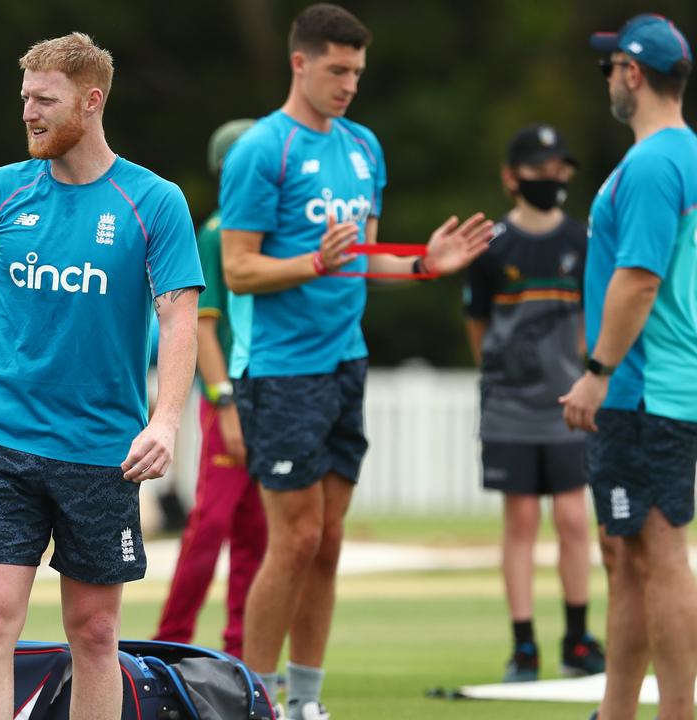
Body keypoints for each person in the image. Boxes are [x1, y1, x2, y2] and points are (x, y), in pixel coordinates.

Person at [0, 32, 204, 720]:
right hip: (3, 441)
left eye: (46, 100)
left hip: (103, 452)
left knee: (96, 634)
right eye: (25, 100)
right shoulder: (0, 192)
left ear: (92, 101)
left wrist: (164, 421)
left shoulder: (153, 201)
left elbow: (180, 320)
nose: (30, 114)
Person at [219, 5, 493, 718]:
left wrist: (428, 264)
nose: (348, 85)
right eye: (337, 70)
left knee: (329, 541)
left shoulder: (364, 147)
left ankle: (307, 700)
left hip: (346, 363)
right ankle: (257, 699)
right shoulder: (262, 151)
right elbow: (240, 269)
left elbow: (365, 264)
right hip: (281, 370)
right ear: (299, 63)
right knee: (296, 537)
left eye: (357, 73)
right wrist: (313, 261)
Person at [561, 14, 697, 720]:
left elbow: (638, 279)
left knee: (660, 554)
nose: (609, 78)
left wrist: (598, 369)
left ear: (634, 74)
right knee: (631, 560)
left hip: (643, 388)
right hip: (665, 385)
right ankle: (616, 713)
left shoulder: (650, 164)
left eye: (612, 67)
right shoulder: (688, 155)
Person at [463, 124, 604, 683]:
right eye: (541, 171)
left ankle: (577, 637)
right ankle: (524, 645)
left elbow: (594, 318)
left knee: (573, 517)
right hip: (509, 405)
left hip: (569, 402)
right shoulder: (492, 246)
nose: (553, 180)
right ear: (511, 177)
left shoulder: (582, 240)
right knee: (520, 519)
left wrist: (585, 371)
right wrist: (501, 377)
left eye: (559, 170)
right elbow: (477, 324)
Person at [154, 118, 266, 659]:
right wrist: (224, 403)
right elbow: (203, 325)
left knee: (256, 530)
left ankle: (243, 651)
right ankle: (170, 641)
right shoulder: (217, 232)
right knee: (213, 521)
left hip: (271, 394)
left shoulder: (267, 237)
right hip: (232, 395)